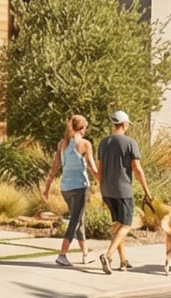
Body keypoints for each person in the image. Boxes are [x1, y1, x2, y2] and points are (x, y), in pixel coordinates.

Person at [41, 113, 98, 269]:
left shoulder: (63, 144)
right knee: (75, 220)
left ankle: (85, 254)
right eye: (85, 127)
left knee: (80, 220)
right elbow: (93, 168)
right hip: (80, 187)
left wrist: (46, 189)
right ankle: (62, 254)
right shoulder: (86, 144)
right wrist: (102, 182)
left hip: (65, 187)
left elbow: (54, 167)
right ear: (82, 128)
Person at [97, 109, 151, 274]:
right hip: (123, 190)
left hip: (107, 190)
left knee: (117, 226)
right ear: (125, 125)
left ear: (113, 124)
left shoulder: (103, 143)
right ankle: (108, 255)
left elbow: (100, 170)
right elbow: (137, 168)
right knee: (126, 225)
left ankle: (123, 261)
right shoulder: (130, 143)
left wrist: (102, 188)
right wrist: (147, 191)